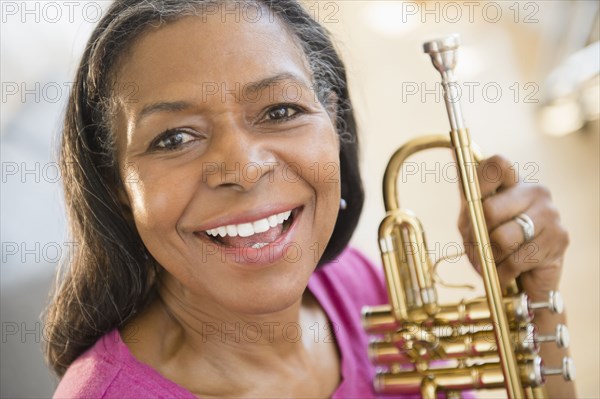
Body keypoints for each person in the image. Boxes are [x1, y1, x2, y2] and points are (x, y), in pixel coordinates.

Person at [44, 0, 576, 397]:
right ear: (115, 185)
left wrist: (535, 302)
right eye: (175, 138)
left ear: (334, 120)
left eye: (279, 111)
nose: (246, 169)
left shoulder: (361, 285)